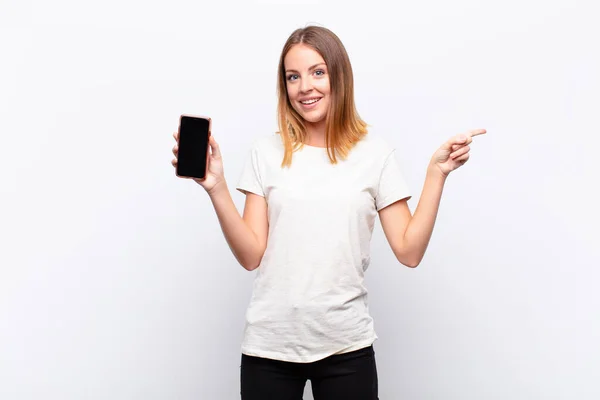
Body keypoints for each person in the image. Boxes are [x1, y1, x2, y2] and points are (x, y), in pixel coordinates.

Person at [171, 25, 485, 400]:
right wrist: (216, 187)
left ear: (339, 76)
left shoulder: (374, 154)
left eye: (317, 72)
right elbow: (251, 255)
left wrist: (437, 174)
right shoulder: (266, 152)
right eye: (293, 76)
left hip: (345, 348)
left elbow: (409, 251)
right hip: (269, 347)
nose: (305, 86)